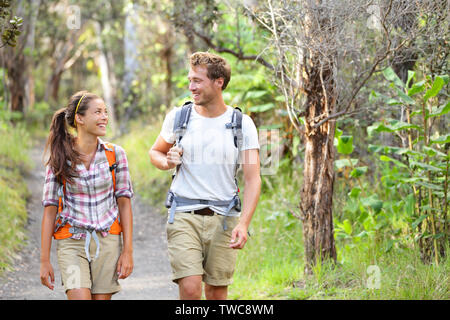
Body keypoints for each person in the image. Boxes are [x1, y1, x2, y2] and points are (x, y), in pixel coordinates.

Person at [149, 52, 261, 300]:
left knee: (216, 293)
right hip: (183, 214)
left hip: (224, 218)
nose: (191, 87)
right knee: (190, 289)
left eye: (197, 81)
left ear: (218, 82)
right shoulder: (179, 117)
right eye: (190, 80)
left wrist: (243, 224)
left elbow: (253, 179)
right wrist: (167, 162)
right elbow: (155, 152)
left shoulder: (242, 123)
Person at [40, 91, 134, 300]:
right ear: (80, 119)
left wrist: (127, 251)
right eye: (98, 112)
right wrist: (44, 260)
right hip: (71, 241)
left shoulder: (116, 154)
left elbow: (125, 205)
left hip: (107, 240)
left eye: (105, 112)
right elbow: (49, 210)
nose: (104, 117)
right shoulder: (59, 156)